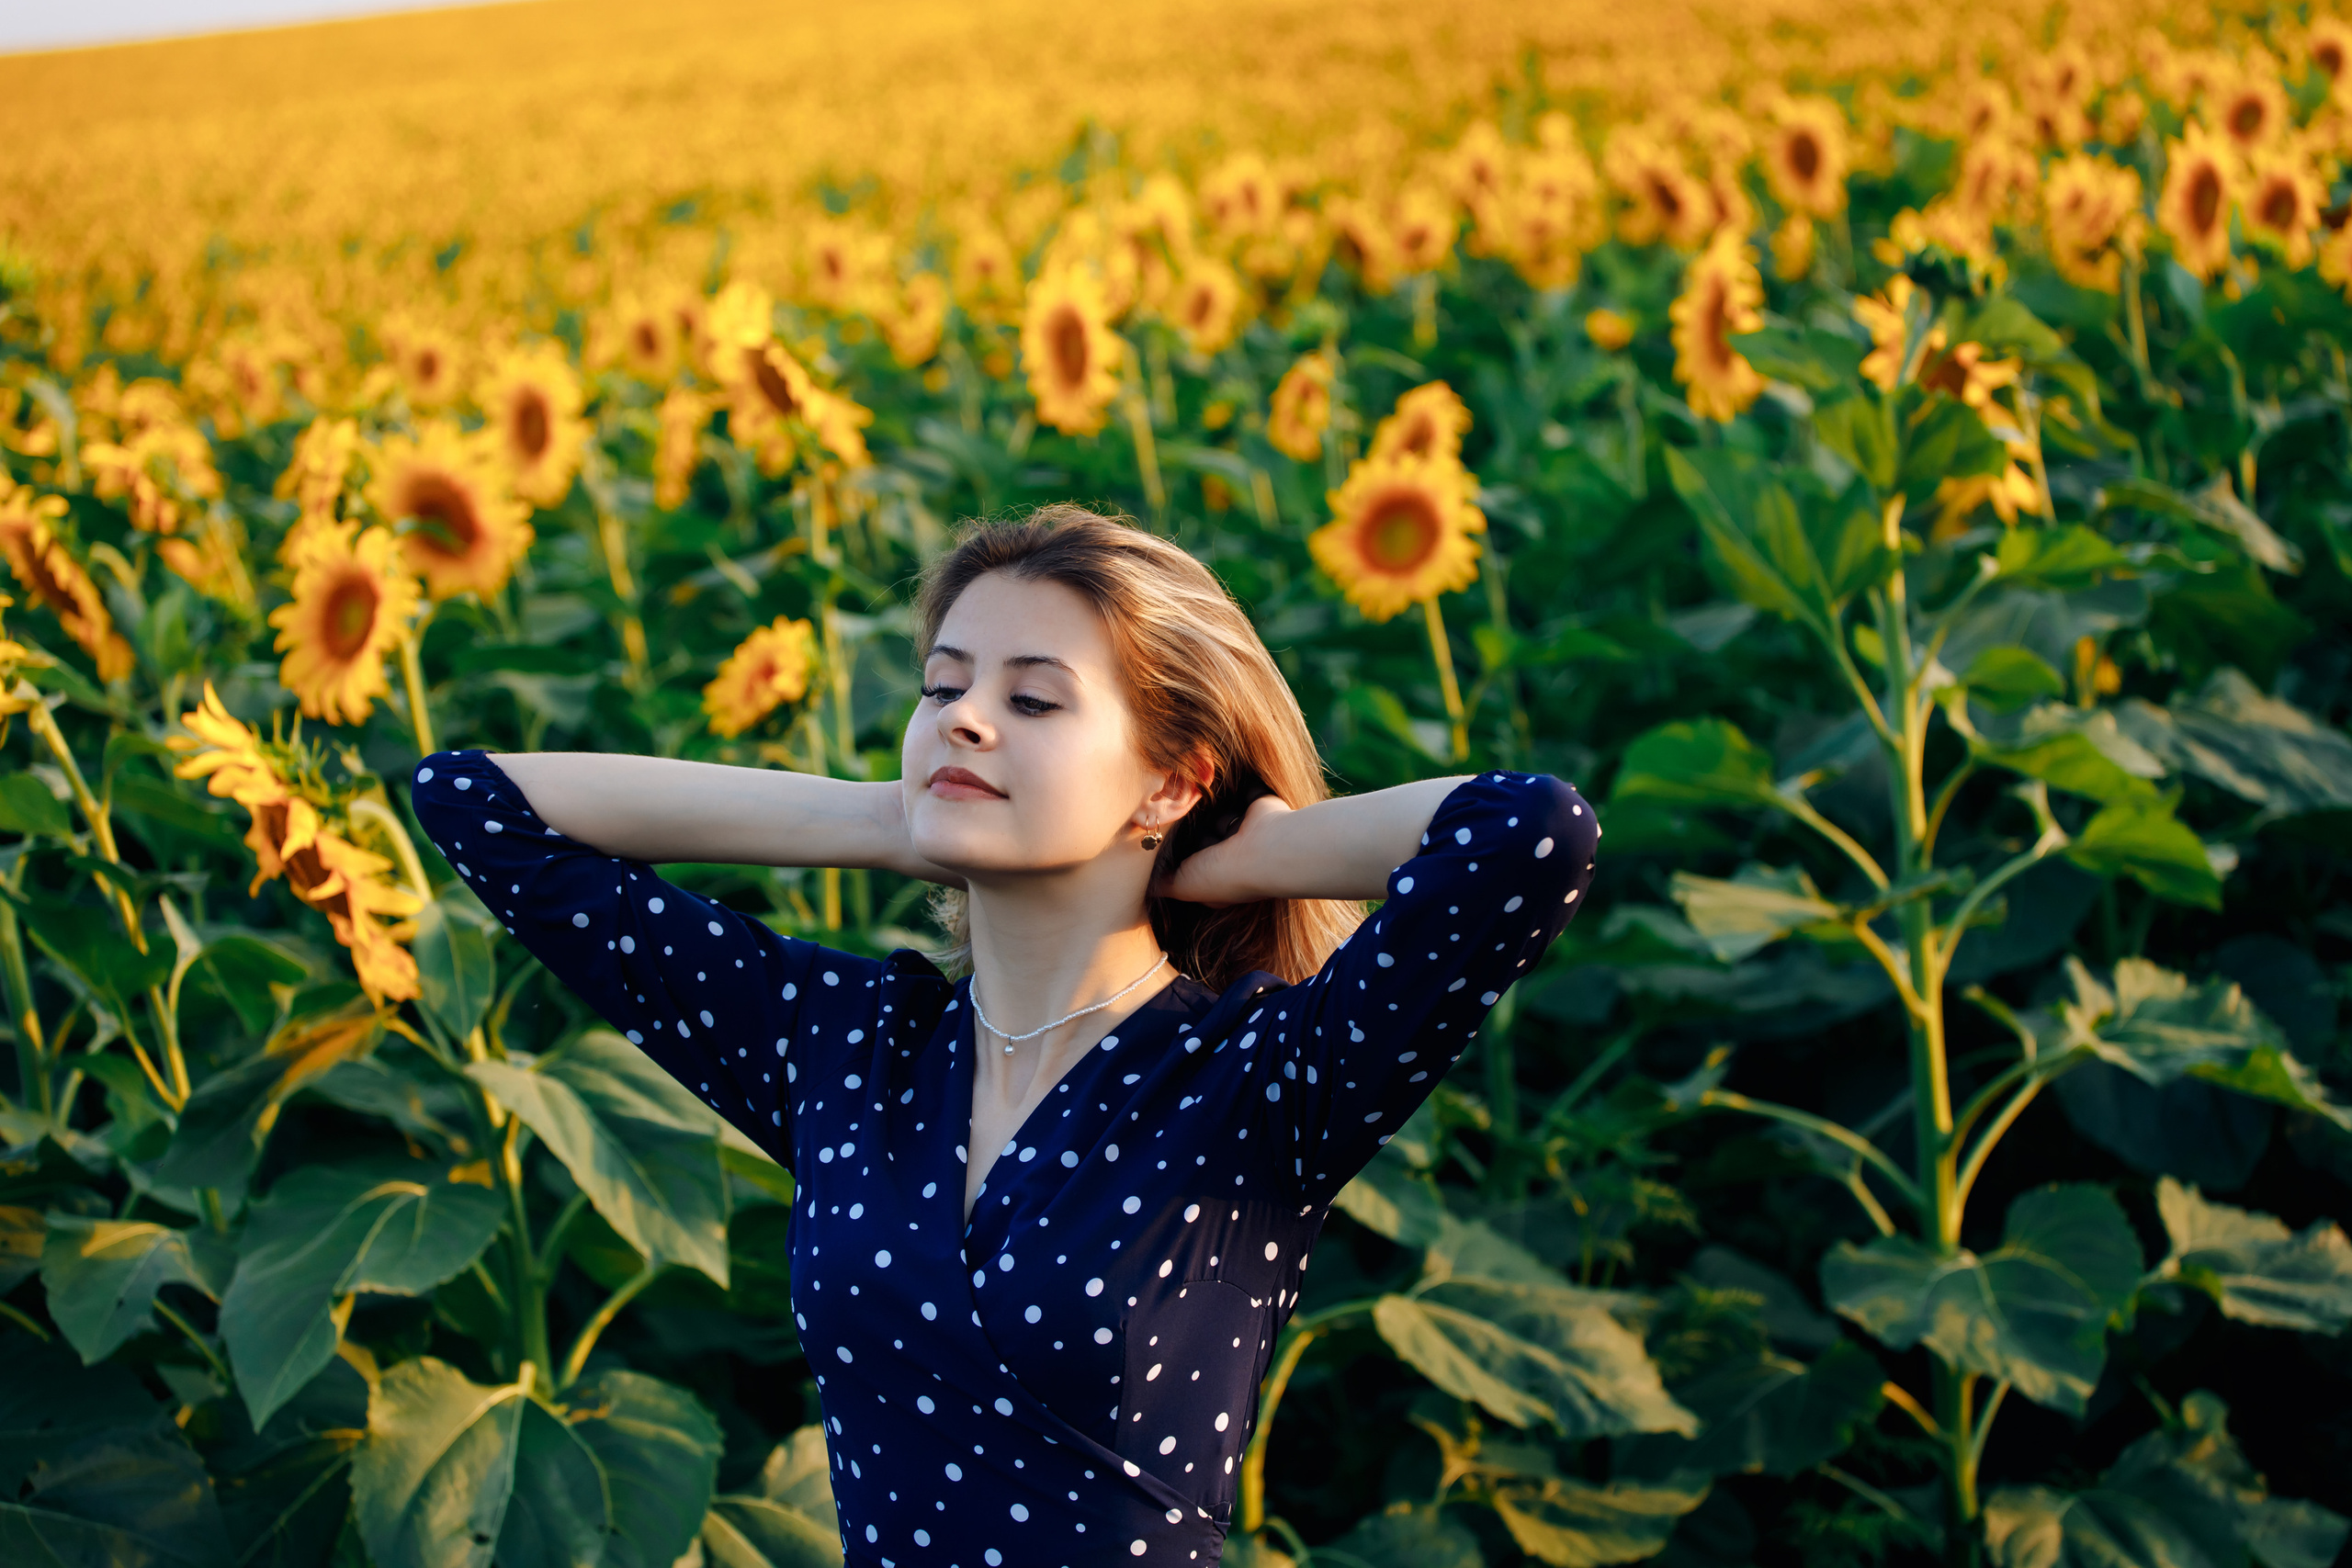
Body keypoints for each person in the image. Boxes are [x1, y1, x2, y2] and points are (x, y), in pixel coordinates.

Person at [409, 505, 1599, 1567]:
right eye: (941, 688)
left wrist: (1243, 849)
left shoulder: (1260, 1081)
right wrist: (890, 816)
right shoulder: (847, 1048)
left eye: (1032, 698)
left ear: (1170, 783)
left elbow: (1529, 834)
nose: (966, 719)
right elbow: (477, 804)